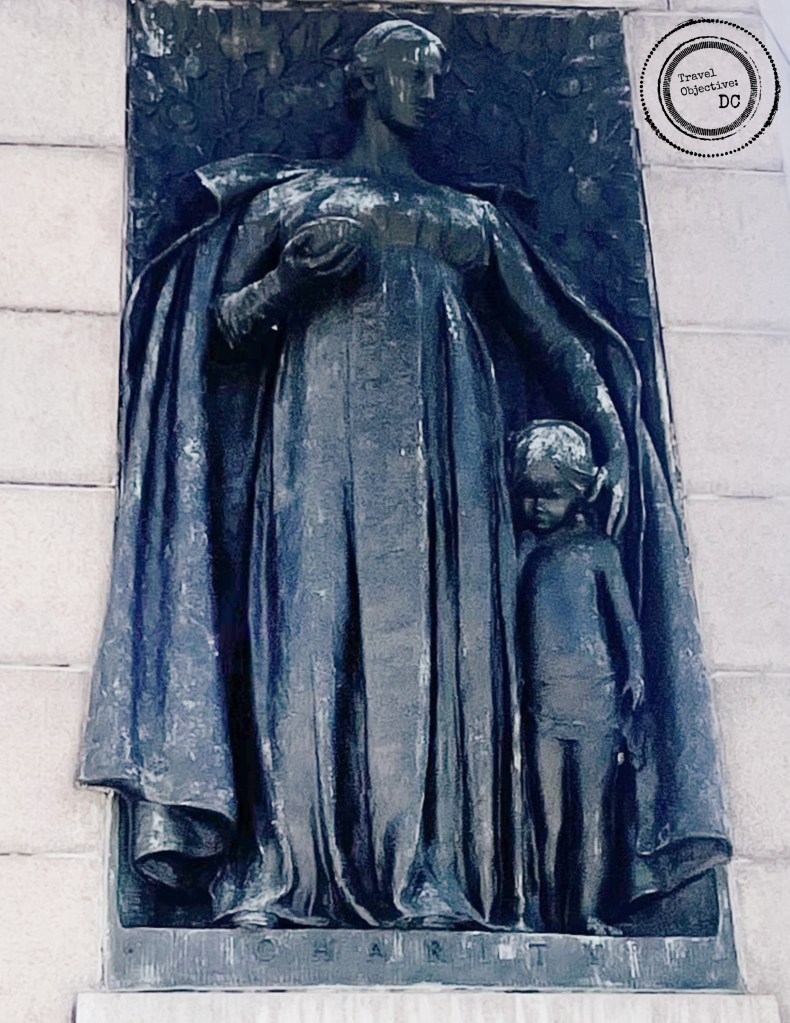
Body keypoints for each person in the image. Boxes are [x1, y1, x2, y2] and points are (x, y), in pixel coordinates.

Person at [80, 18, 730, 932]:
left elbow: (550, 334)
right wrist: (291, 286)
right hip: (312, 447)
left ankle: (429, 870)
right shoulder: (294, 202)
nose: (428, 89)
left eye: (436, 74)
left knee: (432, 651)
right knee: (309, 641)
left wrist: (613, 427)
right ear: (363, 81)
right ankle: (287, 873)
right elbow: (219, 327)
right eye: (410, 72)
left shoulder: (471, 222)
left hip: (445, 465)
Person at [513, 420, 645, 934]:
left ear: (580, 492)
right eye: (529, 495)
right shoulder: (526, 554)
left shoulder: (599, 551)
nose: (538, 507)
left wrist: (635, 672)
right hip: (544, 707)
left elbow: (624, 621)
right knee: (548, 819)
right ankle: (545, 913)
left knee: (592, 815)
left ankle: (587, 914)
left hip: (595, 703)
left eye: (552, 494)